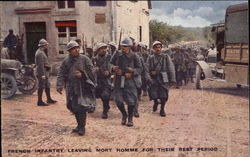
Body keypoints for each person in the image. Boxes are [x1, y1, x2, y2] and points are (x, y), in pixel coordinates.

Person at [56, 40, 96, 136]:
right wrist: (59, 85)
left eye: (76, 48)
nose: (75, 50)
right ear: (69, 51)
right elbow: (61, 73)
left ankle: (82, 127)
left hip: (82, 87)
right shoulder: (66, 61)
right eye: (73, 49)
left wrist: (82, 74)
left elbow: (92, 72)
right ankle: (79, 125)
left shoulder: (85, 59)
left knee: (81, 107)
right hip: (71, 87)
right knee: (72, 106)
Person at [110, 37, 142, 126]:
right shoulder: (117, 54)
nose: (123, 48)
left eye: (125, 46)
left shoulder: (135, 56)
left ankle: (130, 118)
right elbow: (110, 63)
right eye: (122, 46)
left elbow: (140, 69)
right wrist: (113, 68)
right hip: (119, 80)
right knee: (118, 101)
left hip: (130, 81)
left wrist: (132, 73)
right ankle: (124, 115)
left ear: (130, 47)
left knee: (131, 102)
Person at [145, 41, 176, 117]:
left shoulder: (166, 57)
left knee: (164, 95)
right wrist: (148, 77)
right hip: (154, 79)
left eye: (159, 47)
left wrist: (172, 79)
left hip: (163, 78)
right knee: (153, 94)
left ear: (161, 48)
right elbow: (146, 69)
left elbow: (171, 68)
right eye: (156, 47)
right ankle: (155, 102)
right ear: (153, 49)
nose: (158, 49)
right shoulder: (150, 58)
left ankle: (162, 109)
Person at [35, 39, 57, 106]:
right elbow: (40, 65)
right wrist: (42, 75)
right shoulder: (39, 53)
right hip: (42, 72)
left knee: (47, 85)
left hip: (45, 72)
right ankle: (39, 101)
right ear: (43, 45)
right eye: (46, 44)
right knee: (41, 86)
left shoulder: (41, 51)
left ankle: (49, 99)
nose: (47, 45)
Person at [94, 43, 112, 119]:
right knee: (98, 94)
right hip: (97, 80)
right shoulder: (94, 59)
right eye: (101, 48)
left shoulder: (109, 57)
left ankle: (105, 111)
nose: (103, 50)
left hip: (106, 80)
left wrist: (109, 71)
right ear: (98, 50)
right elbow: (90, 68)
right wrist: (95, 70)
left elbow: (113, 66)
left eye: (105, 48)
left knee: (105, 95)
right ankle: (106, 105)